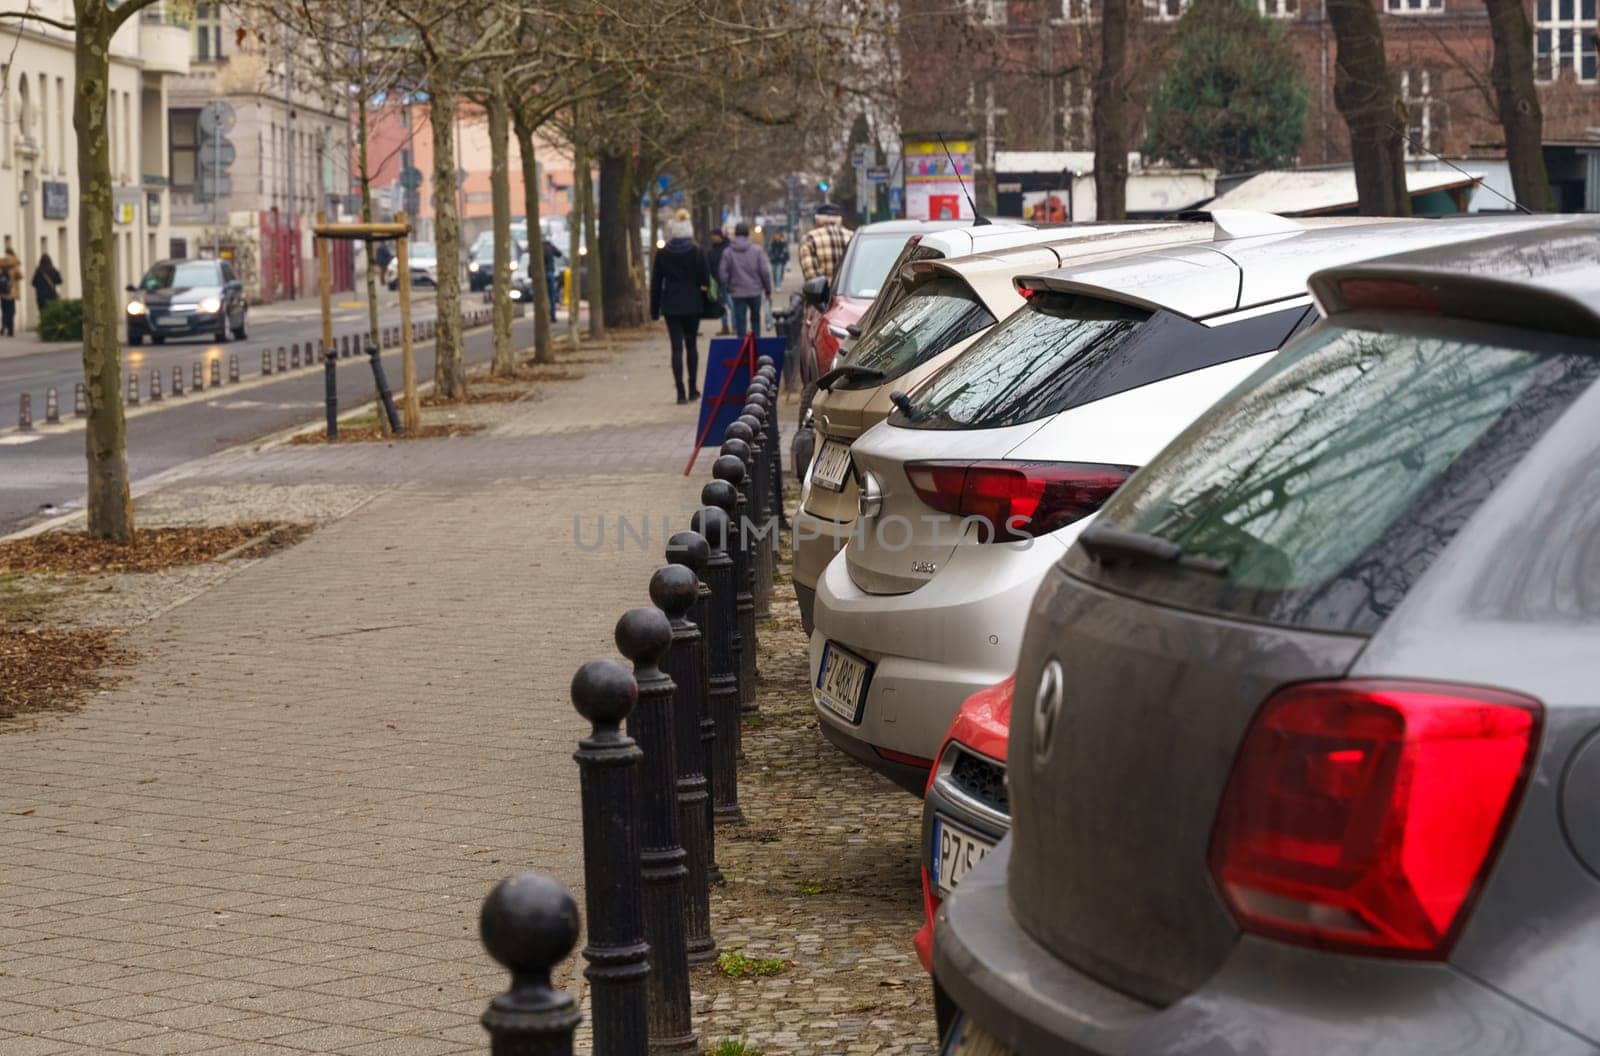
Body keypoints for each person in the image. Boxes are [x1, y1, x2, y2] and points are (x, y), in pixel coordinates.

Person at [650, 217, 710, 405]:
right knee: (691, 345)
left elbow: (656, 283)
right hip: (692, 302)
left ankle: (680, 392)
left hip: (671, 304)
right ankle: (693, 389)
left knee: (676, 348)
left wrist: (654, 309)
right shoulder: (697, 251)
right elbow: (705, 279)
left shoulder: (663, 253)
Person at [717, 221, 773, 341]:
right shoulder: (757, 250)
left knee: (740, 320)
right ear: (748, 234)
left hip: (737, 292)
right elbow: (764, 271)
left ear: (735, 234)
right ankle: (757, 346)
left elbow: (722, 273)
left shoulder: (728, 252)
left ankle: (741, 349)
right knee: (755, 319)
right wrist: (767, 288)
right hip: (755, 290)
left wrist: (728, 286)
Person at [799, 203, 851, 285]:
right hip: (848, 293)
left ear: (817, 219)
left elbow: (810, 275)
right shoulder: (852, 236)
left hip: (822, 295)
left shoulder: (809, 239)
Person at [706, 227, 730, 335]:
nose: (712, 238)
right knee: (722, 304)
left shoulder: (727, 248)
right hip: (717, 281)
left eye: (714, 236)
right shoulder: (712, 250)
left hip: (727, 281)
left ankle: (734, 325)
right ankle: (725, 326)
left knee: (729, 303)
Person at [0, 240, 21, 337]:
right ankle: (10, 331)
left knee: (4, 310)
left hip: (3, 291)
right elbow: (20, 276)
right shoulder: (15, 264)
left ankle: (3, 327)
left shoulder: (2, 263)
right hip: (11, 292)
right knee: (11, 311)